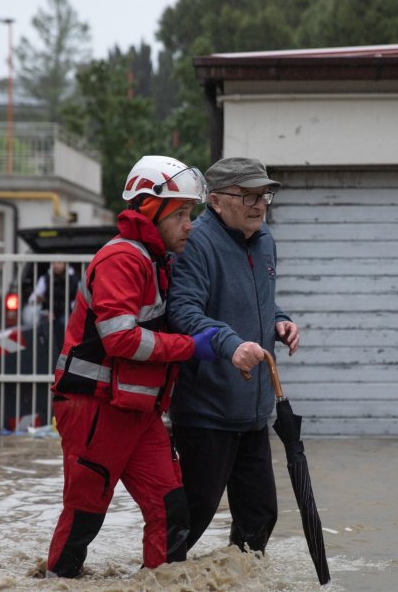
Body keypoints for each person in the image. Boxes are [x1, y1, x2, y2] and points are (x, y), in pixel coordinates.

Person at [45, 155, 220, 578]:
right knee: (85, 517)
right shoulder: (122, 259)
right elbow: (120, 339)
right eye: (180, 214)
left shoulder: (155, 259)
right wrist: (190, 347)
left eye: (190, 214)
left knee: (172, 511)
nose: (189, 225)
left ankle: (159, 583)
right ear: (149, 209)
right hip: (95, 408)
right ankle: (57, 583)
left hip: (136, 412)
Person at [167, 157, 300, 554]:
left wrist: (280, 320)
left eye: (264, 195)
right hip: (206, 410)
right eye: (247, 195)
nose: (259, 204)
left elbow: (258, 304)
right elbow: (183, 313)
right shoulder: (196, 242)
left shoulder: (265, 241)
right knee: (193, 516)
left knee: (260, 516)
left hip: (254, 412)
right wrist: (230, 343)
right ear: (216, 201)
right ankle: (154, 578)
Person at [22, 260, 78, 358]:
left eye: (59, 263)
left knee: (64, 324)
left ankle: (64, 355)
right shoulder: (46, 279)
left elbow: (77, 300)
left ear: (65, 264)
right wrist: (39, 300)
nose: (56, 265)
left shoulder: (73, 279)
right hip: (49, 312)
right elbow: (34, 297)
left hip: (67, 313)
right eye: (54, 263)